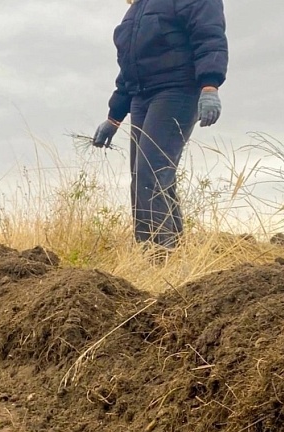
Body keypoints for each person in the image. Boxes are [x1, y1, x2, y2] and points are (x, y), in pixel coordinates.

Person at [92, 0, 228, 250]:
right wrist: (114, 117)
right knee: (144, 176)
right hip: (141, 97)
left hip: (177, 91)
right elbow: (129, 70)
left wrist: (210, 85)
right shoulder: (136, 10)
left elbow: (209, 36)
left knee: (151, 174)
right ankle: (171, 251)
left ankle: (155, 256)